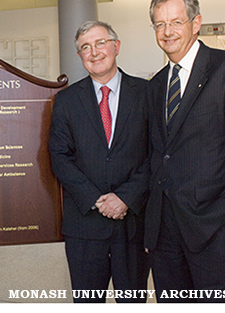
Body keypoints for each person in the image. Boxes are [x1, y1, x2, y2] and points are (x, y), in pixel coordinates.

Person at [144, 0, 225, 302]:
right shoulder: (156, 85)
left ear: (196, 23)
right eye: (159, 24)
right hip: (165, 232)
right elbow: (159, 153)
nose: (167, 32)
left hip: (215, 226)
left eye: (175, 22)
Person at [49, 21, 150, 303]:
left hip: (134, 223)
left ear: (116, 46)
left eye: (100, 43)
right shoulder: (66, 100)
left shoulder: (147, 93)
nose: (94, 52)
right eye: (85, 47)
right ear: (80, 55)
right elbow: (59, 155)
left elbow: (158, 153)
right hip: (84, 225)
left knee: (133, 301)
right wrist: (97, 199)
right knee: (87, 302)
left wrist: (125, 198)